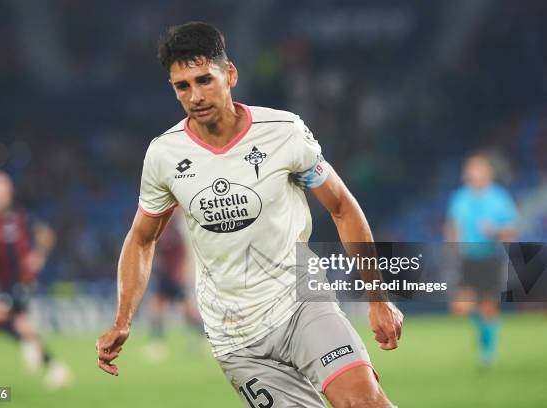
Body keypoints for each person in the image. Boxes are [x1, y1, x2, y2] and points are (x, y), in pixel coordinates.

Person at [96, 22, 403, 407]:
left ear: (231, 74)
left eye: (205, 80)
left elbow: (341, 205)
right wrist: (123, 318)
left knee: (363, 402)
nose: (195, 96)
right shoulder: (164, 156)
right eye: (182, 86)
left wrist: (377, 296)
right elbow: (141, 238)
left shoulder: (284, 132)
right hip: (235, 339)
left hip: (302, 303)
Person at [0, 170, 72, 388]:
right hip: (1, 282)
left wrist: (38, 255)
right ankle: (55, 368)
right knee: (21, 326)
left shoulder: (21, 217)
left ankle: (40, 356)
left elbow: (46, 235)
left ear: (8, 193)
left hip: (23, 280)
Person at [446, 153, 518, 367]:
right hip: (468, 258)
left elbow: (511, 230)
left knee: (488, 306)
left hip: (490, 258)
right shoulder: (460, 197)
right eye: (470, 168)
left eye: (476, 168)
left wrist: (495, 231)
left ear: (487, 172)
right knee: (460, 307)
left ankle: (487, 354)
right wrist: (452, 246)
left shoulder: (499, 197)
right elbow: (453, 225)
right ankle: (485, 330)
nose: (472, 172)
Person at [143, 209, 203, 360]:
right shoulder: (162, 230)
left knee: (188, 310)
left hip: (176, 277)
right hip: (164, 276)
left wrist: (183, 272)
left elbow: (182, 253)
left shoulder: (176, 230)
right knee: (156, 307)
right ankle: (157, 342)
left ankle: (202, 337)